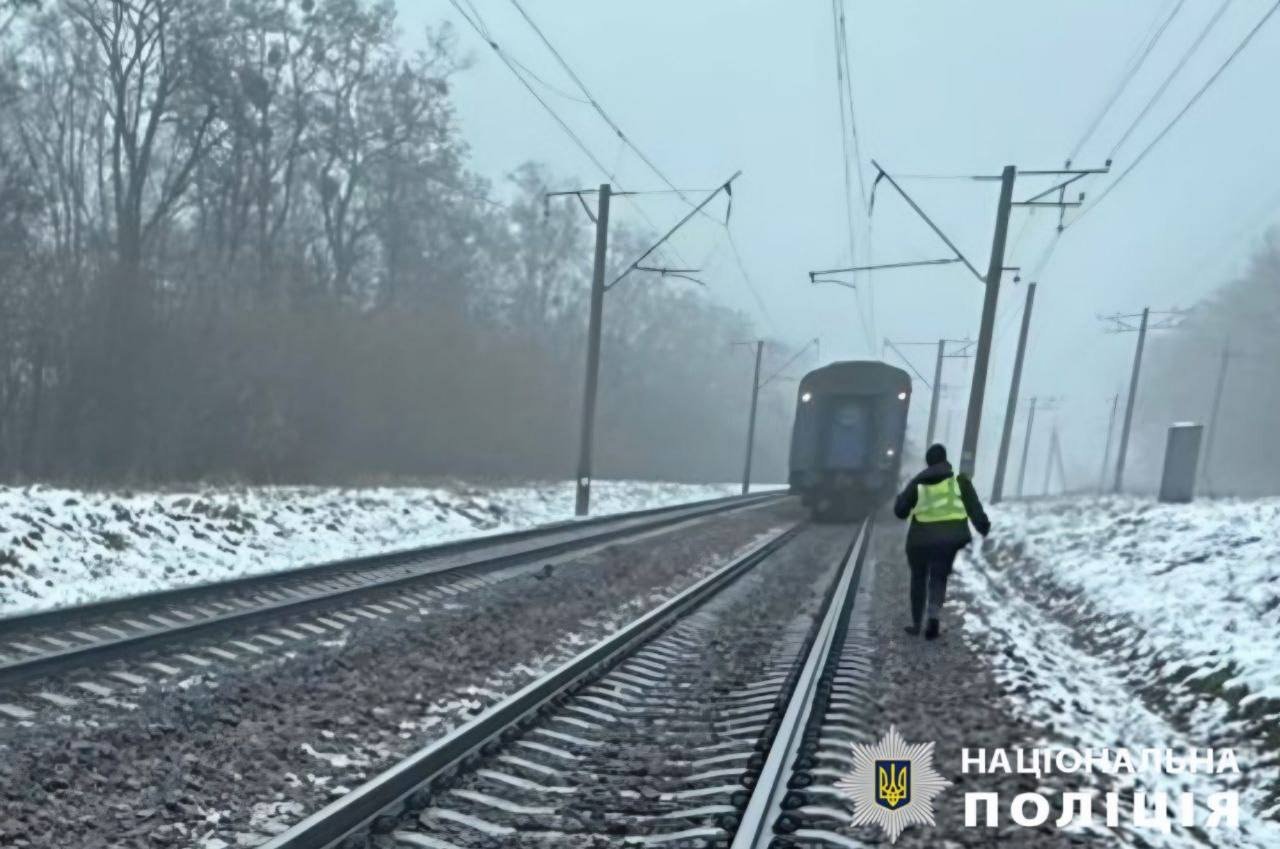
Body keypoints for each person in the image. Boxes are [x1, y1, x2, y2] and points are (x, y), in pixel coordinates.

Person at [892, 443, 990, 640]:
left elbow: (900, 512)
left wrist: (900, 499)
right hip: (949, 540)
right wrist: (983, 527)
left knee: (918, 578)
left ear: (928, 462)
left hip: (920, 541)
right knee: (939, 576)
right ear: (945, 460)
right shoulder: (959, 481)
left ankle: (916, 624)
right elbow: (974, 507)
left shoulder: (918, 482)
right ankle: (933, 617)